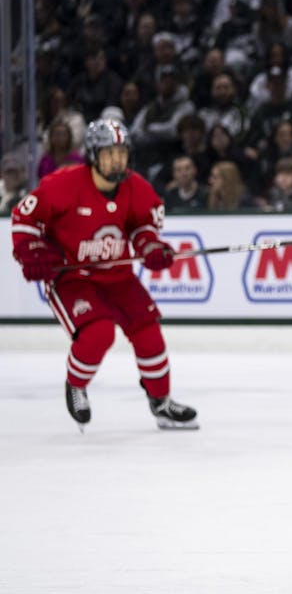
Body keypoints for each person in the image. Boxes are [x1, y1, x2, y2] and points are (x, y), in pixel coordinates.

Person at [9, 119, 198, 431]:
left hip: (118, 277)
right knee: (99, 333)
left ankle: (162, 403)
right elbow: (24, 217)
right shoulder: (63, 184)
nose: (117, 160)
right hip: (73, 278)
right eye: (110, 153)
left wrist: (150, 246)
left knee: (149, 335)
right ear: (93, 155)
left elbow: (142, 226)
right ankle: (76, 385)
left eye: (122, 153)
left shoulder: (136, 186)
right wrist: (31, 251)